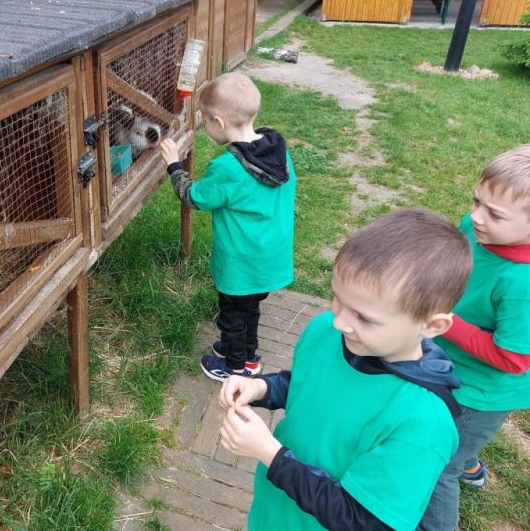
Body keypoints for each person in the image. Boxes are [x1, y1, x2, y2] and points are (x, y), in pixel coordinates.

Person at [218, 208, 471, 531]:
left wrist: (271, 455)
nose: (339, 321)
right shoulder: (325, 332)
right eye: (337, 298)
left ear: (432, 325)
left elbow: (365, 522)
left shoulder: (423, 422)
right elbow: (308, 384)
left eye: (364, 317)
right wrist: (261, 388)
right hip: (273, 513)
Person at [419, 145, 530, 531]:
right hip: (449, 361)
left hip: (482, 392)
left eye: (494, 214)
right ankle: (468, 459)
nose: (476, 216)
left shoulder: (522, 283)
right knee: (445, 431)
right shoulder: (476, 228)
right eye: (476, 201)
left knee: (438, 469)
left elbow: (514, 359)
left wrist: (449, 323)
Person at [159, 73, 295, 381]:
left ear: (219, 123)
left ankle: (235, 369)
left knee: (233, 315)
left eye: (205, 121)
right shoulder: (279, 152)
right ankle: (248, 355)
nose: (205, 126)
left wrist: (174, 165)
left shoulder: (228, 168)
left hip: (241, 262)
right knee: (249, 309)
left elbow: (194, 196)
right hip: (270, 256)